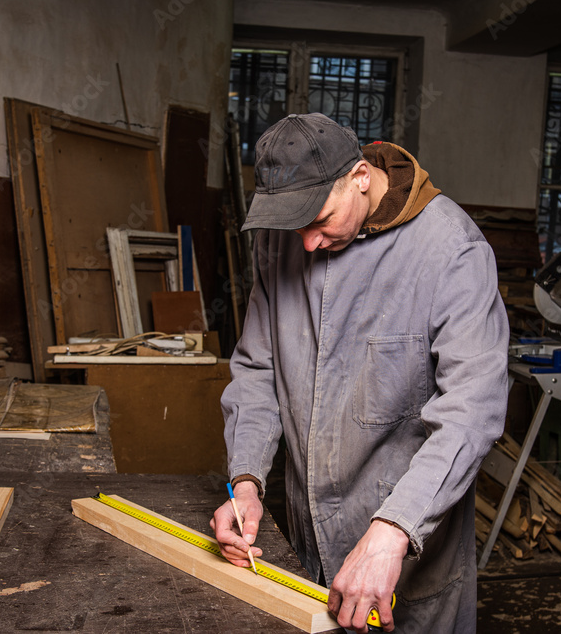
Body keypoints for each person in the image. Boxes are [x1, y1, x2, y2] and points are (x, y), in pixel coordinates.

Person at [210, 113, 508, 633]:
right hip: (309, 543)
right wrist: (247, 481)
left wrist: (394, 529)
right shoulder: (283, 241)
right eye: (296, 226)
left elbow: (471, 412)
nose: (307, 243)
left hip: (407, 554)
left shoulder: (452, 251)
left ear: (361, 177)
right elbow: (258, 369)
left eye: (319, 219)